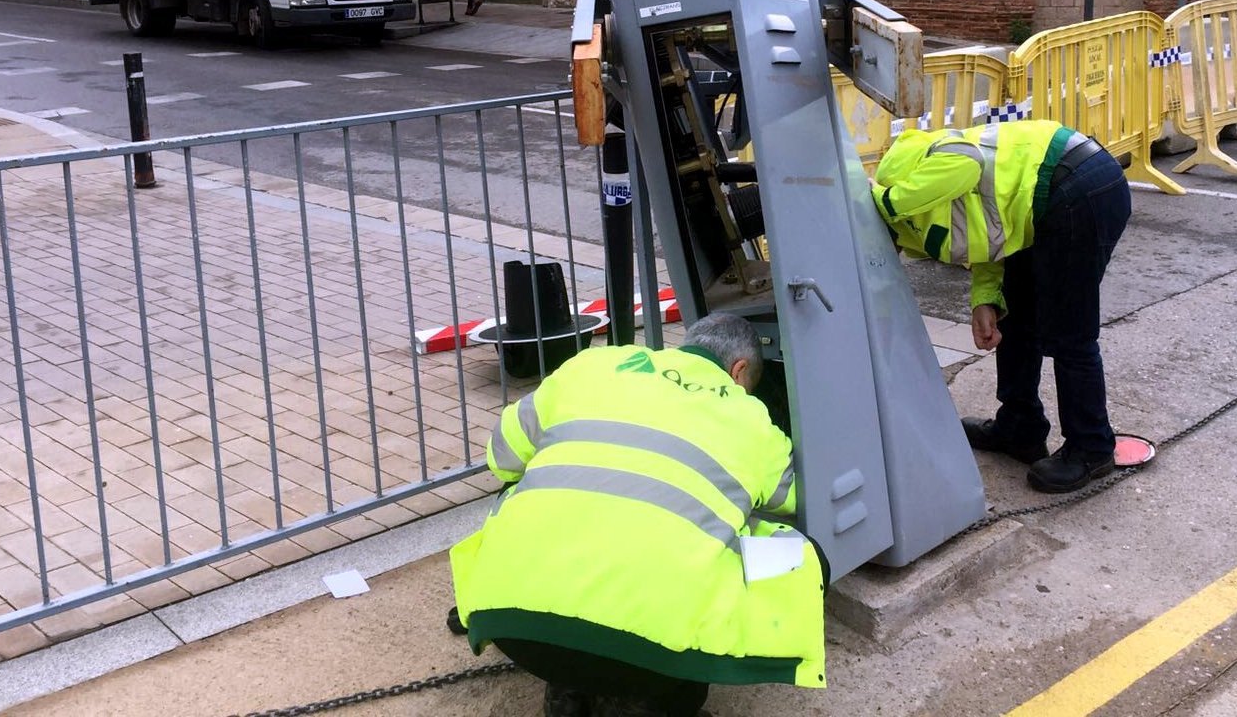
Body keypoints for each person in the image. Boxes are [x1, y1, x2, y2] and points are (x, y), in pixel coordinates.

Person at [449, 312, 826, 717]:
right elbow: (798, 498)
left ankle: (568, 685)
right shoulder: (753, 420)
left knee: (521, 487)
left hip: (512, 630)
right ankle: (662, 700)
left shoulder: (590, 366)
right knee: (794, 550)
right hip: (655, 661)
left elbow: (501, 457)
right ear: (740, 371)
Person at [870, 120, 1131, 494]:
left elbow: (967, 164)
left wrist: (886, 202)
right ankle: (1020, 428)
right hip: (1040, 202)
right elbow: (984, 226)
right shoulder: (915, 208)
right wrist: (986, 299)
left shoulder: (920, 173)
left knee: (1069, 331)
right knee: (1017, 315)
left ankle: (1092, 447)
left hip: (1079, 187)